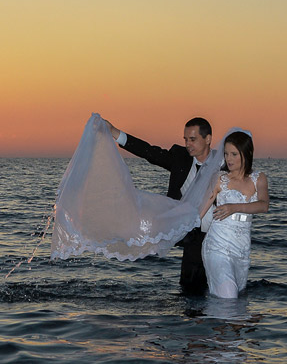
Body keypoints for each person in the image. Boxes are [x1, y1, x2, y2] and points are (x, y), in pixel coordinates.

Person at [105, 117, 214, 295]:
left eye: (192, 139)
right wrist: (115, 133)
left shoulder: (223, 163)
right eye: (185, 139)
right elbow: (149, 152)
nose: (187, 144)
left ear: (208, 139)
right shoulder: (180, 157)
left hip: (217, 235)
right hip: (191, 237)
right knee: (190, 292)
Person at [200, 131, 269, 298]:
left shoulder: (258, 178)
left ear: (246, 154)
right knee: (228, 295)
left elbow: (263, 205)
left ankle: (211, 320)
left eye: (234, 154)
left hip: (242, 248)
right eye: (226, 154)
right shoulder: (219, 178)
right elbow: (200, 211)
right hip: (217, 244)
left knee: (234, 299)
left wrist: (234, 207)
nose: (228, 159)